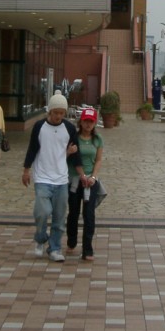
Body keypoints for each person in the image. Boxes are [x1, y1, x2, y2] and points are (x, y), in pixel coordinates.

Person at [22, 90, 87, 262]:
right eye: (56, 112)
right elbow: (32, 149)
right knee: (42, 212)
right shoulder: (39, 127)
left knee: (59, 218)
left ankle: (55, 248)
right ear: (49, 111)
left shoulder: (69, 128)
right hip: (42, 177)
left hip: (61, 179)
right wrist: (26, 170)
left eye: (62, 113)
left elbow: (76, 156)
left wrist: (82, 175)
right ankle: (40, 238)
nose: (59, 116)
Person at [66, 107, 104, 261]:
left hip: (91, 181)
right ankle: (72, 240)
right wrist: (81, 175)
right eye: (85, 121)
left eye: (91, 121)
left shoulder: (97, 139)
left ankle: (87, 249)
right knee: (73, 212)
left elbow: (99, 160)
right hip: (75, 179)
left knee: (89, 214)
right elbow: (73, 159)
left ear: (95, 123)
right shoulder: (74, 137)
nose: (88, 124)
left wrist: (93, 177)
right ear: (80, 122)